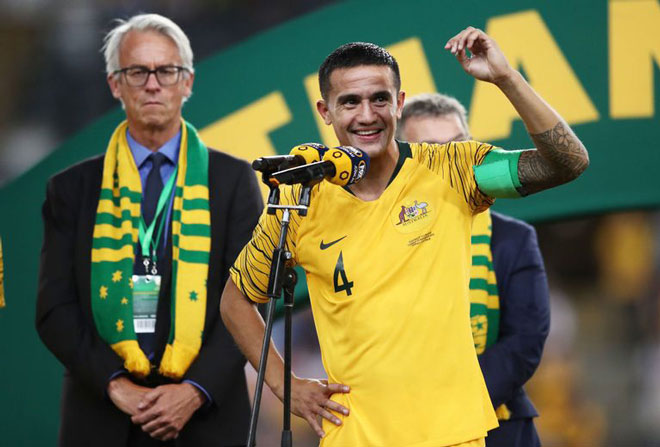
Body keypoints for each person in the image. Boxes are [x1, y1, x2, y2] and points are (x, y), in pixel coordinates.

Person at [221, 26, 588, 447]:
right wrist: (286, 386)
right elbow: (235, 299)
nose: (367, 115)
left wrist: (506, 78)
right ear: (325, 111)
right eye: (350, 102)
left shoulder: (452, 168)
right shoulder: (301, 197)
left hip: (452, 435)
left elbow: (567, 163)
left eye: (379, 99)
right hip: (353, 437)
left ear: (399, 102)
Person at [36, 14, 262, 447]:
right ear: (115, 84)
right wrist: (117, 386)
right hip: (102, 418)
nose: (153, 84)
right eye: (138, 71)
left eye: (167, 71)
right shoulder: (71, 189)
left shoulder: (233, 180)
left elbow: (252, 300)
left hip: (207, 421)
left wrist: (194, 391)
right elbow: (54, 310)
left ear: (187, 81)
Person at [398, 92, 550, 447]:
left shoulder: (514, 238)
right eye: (433, 150)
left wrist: (449, 404)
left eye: (459, 145)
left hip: (498, 424)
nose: (452, 160)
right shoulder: (377, 236)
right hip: (398, 424)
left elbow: (525, 342)